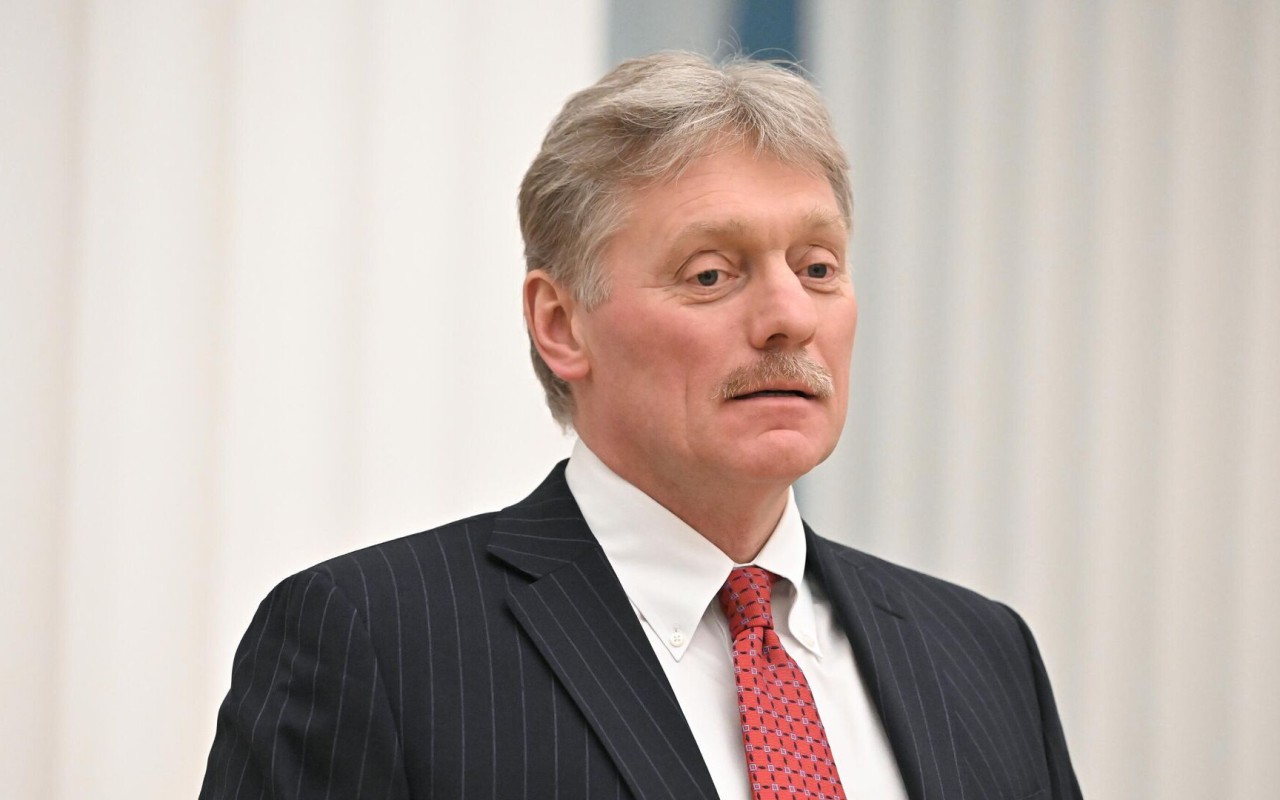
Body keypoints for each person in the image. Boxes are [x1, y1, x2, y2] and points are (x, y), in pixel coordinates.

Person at [200, 52, 1081, 800]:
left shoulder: (983, 652)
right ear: (561, 325)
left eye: (817, 268)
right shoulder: (375, 639)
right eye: (711, 274)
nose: (789, 317)